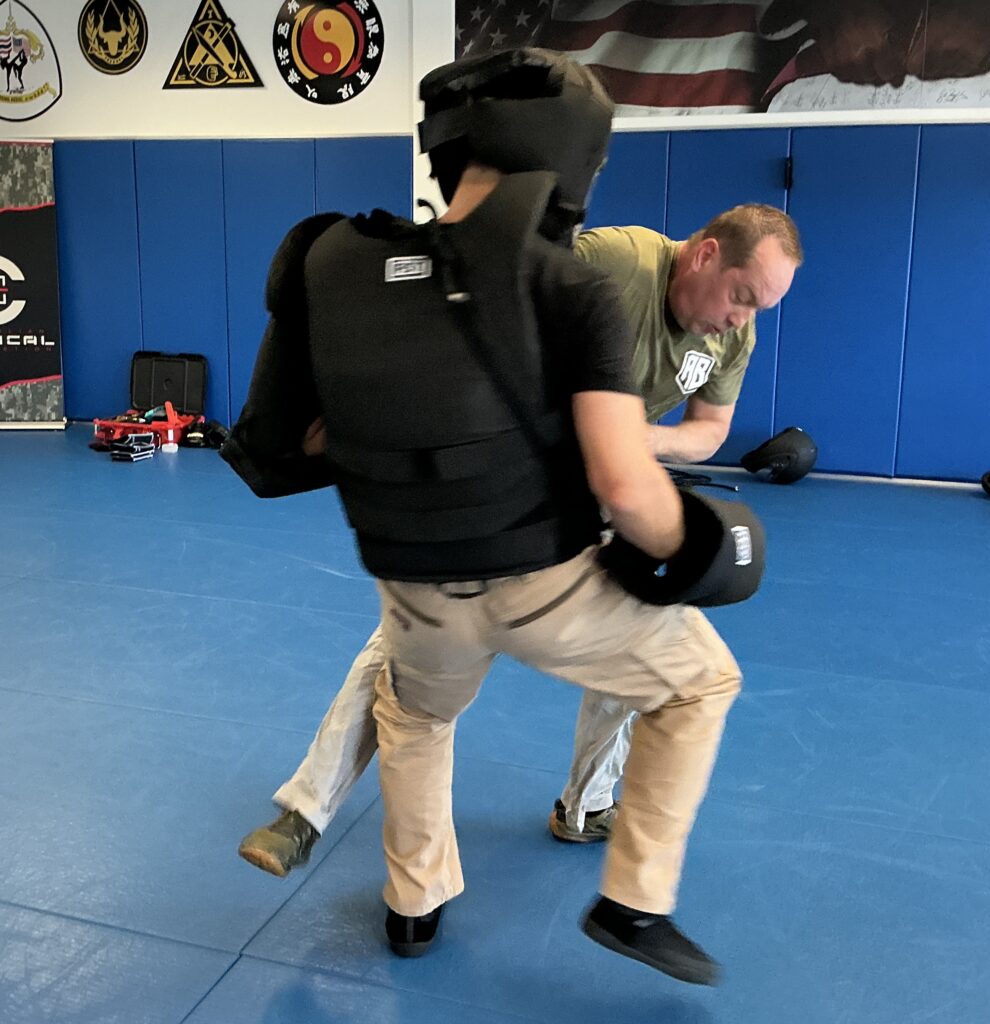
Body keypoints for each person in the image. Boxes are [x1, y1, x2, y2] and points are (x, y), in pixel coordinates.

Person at [225, 45, 771, 983]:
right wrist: (706, 550)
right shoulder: (573, 283)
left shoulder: (333, 263)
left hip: (412, 589)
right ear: (574, 159)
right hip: (541, 586)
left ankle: (413, 906)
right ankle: (634, 902)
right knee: (698, 683)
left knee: (414, 716)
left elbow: (283, 443)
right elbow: (624, 484)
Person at [233, 197, 801, 873]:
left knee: (648, 631)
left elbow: (708, 431)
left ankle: (586, 805)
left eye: (760, 308)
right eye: (742, 296)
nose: (743, 318)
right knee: (410, 643)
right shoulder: (615, 262)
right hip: (509, 484)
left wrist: (628, 440)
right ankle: (305, 811)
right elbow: (481, 321)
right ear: (706, 254)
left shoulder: (734, 334)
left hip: (607, 481)